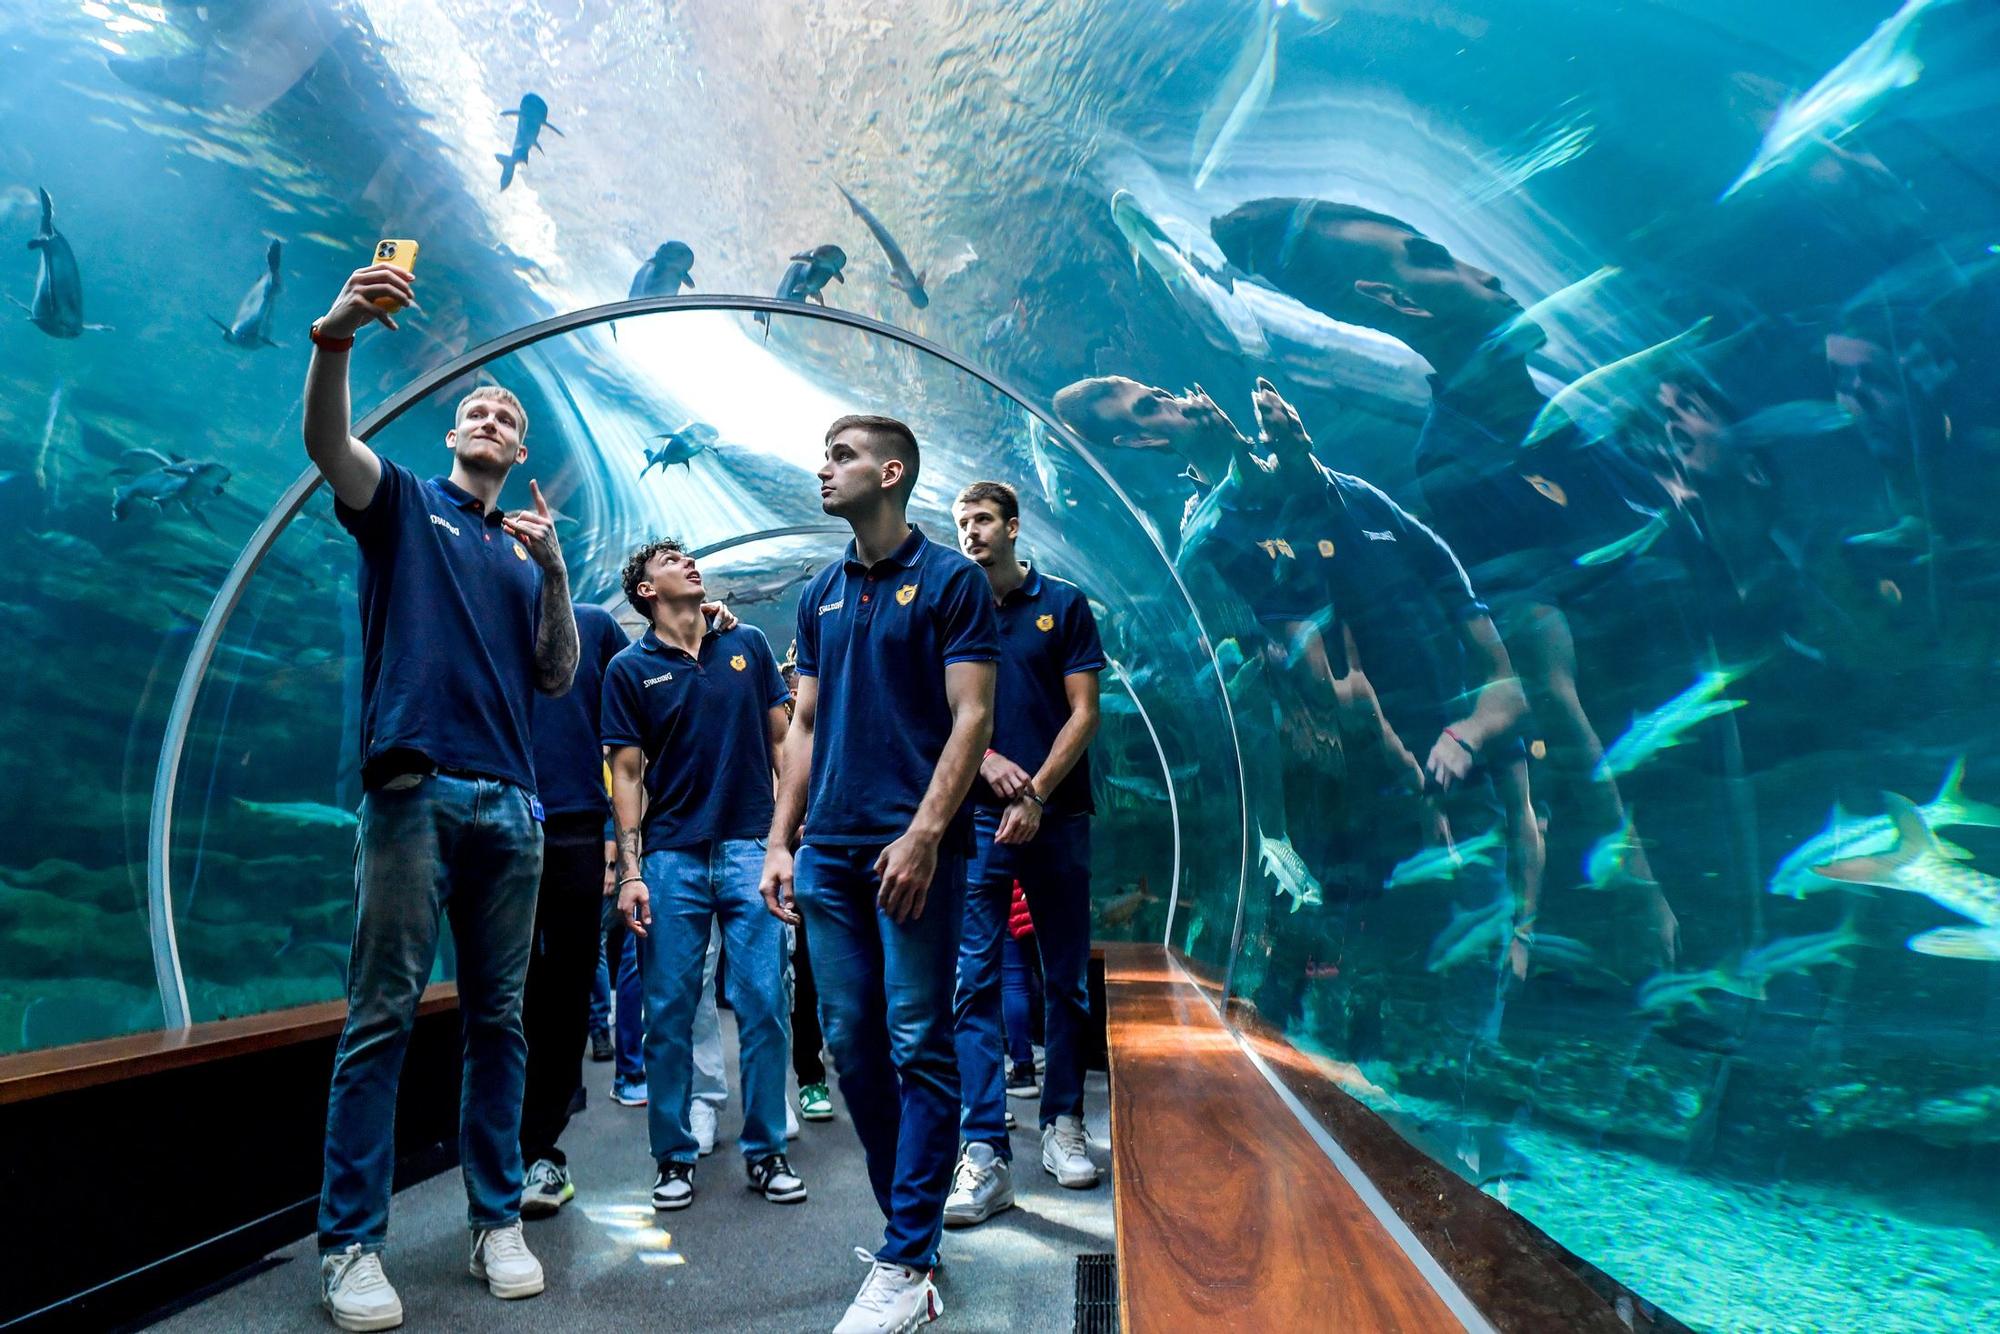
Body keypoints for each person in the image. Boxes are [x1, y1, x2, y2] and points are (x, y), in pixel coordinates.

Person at [1212, 198, 1681, 969]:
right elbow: (1546, 675)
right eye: (1431, 257)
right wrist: (1639, 879)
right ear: (1395, 303)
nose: (1485, 270)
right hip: (1661, 771)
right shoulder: (1465, 460)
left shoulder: (1573, 407)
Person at [304, 261, 578, 1330]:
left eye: (507, 414)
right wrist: (335, 338)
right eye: (477, 404)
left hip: (512, 805)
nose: (489, 413)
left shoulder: (522, 554)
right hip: (416, 792)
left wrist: (554, 566)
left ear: (516, 454)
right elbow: (329, 446)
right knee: (380, 1015)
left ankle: (495, 1216)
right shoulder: (404, 503)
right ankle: (348, 1244)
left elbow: (556, 672)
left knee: (500, 1021)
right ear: (455, 434)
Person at [760, 415, 999, 1334]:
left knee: (919, 1041)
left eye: (843, 456)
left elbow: (971, 716)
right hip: (828, 853)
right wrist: (783, 841)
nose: (824, 469)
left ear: (891, 472)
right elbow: (805, 729)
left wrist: (928, 833)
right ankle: (917, 1231)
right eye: (824, 453)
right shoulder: (818, 592)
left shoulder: (952, 582)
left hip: (915, 854)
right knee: (851, 1044)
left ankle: (904, 1258)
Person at [605, 540, 804, 1211]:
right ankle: (673, 1157)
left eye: (689, 556)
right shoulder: (629, 669)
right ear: (645, 591)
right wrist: (630, 871)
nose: (688, 562)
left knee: (764, 1005)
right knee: (666, 1013)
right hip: (670, 857)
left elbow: (782, 742)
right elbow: (627, 775)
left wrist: (784, 841)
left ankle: (766, 1149)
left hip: (751, 847)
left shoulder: (744, 645)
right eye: (669, 560)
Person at [943, 480, 1104, 1229]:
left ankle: (1063, 1120)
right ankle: (984, 1147)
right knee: (972, 981)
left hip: (1058, 818)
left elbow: (1084, 712)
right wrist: (985, 767)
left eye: (981, 520)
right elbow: (938, 714)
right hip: (977, 824)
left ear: (1011, 526)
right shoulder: (951, 607)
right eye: (961, 522)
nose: (970, 532)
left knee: (1065, 980)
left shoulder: (1063, 604)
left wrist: (1034, 792)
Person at [518, 602, 630, 1218]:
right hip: (497, 819)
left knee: (567, 988)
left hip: (576, 827)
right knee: (506, 992)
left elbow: (628, 724)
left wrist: (622, 839)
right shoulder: (486, 607)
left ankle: (542, 1148)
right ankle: (503, 1148)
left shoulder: (594, 623)